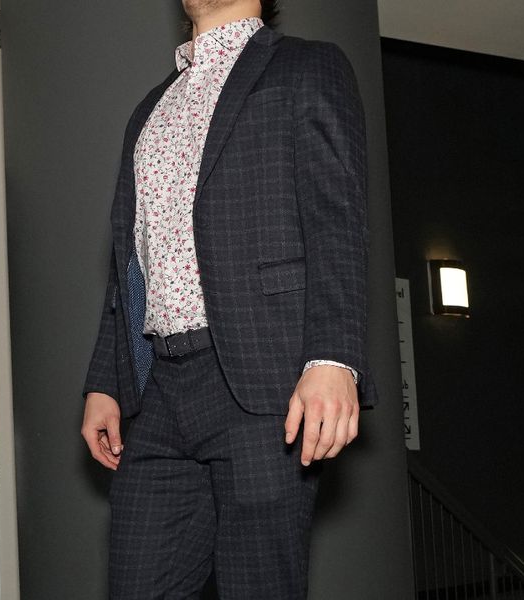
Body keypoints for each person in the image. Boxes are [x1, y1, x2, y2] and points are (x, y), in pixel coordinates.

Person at [81, 0, 377, 597]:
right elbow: (129, 264)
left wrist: (333, 358)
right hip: (158, 390)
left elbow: (337, 221)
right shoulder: (149, 110)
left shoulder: (307, 67)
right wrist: (104, 381)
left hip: (264, 388)